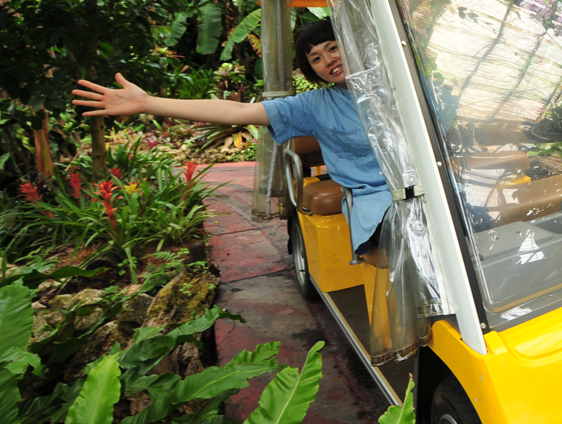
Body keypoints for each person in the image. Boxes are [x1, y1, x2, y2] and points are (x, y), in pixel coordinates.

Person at [72, 20, 391, 256]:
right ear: (312, 71)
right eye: (316, 58)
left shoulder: (399, 85)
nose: (328, 60)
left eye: (333, 48)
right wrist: (148, 103)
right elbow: (236, 112)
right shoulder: (314, 106)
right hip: (377, 203)